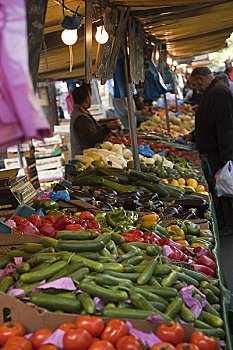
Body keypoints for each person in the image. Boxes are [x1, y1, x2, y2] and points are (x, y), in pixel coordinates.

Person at [190, 66, 233, 235]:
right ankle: (225, 223)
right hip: (216, 151)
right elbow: (209, 121)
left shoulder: (219, 92)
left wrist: (226, 157)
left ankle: (228, 225)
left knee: (225, 189)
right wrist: (193, 135)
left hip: (221, 153)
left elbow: (225, 127)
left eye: (194, 85)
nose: (195, 89)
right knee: (221, 188)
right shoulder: (213, 91)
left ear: (200, 79)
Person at [70, 86, 120, 158]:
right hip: (85, 160)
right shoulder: (81, 118)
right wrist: (106, 128)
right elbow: (91, 141)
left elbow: (91, 131)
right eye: (90, 96)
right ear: (87, 99)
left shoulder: (81, 113)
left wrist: (107, 132)